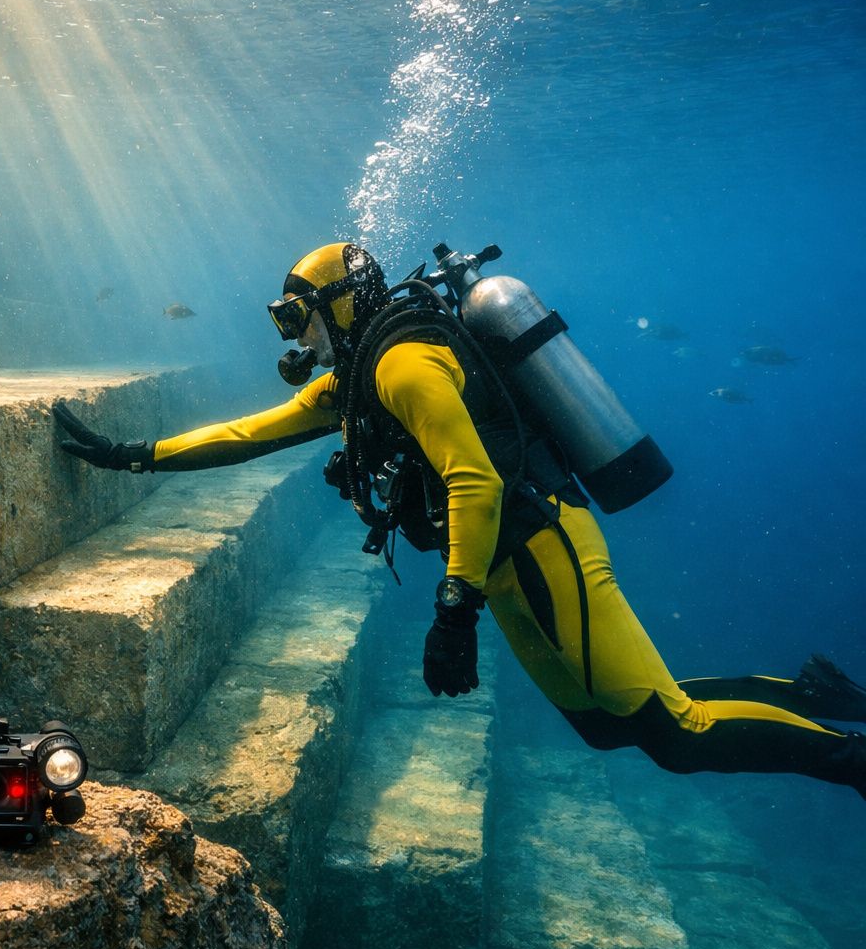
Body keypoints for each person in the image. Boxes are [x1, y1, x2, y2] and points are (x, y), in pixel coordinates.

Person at [54, 242, 866, 799]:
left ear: (340, 304)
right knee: (608, 727)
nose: (297, 337)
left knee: (674, 734)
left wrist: (454, 610)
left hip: (542, 543)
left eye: (298, 316)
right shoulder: (362, 378)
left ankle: (851, 759)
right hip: (506, 565)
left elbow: (473, 479)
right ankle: (809, 694)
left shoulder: (403, 363)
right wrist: (131, 453)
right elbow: (247, 433)